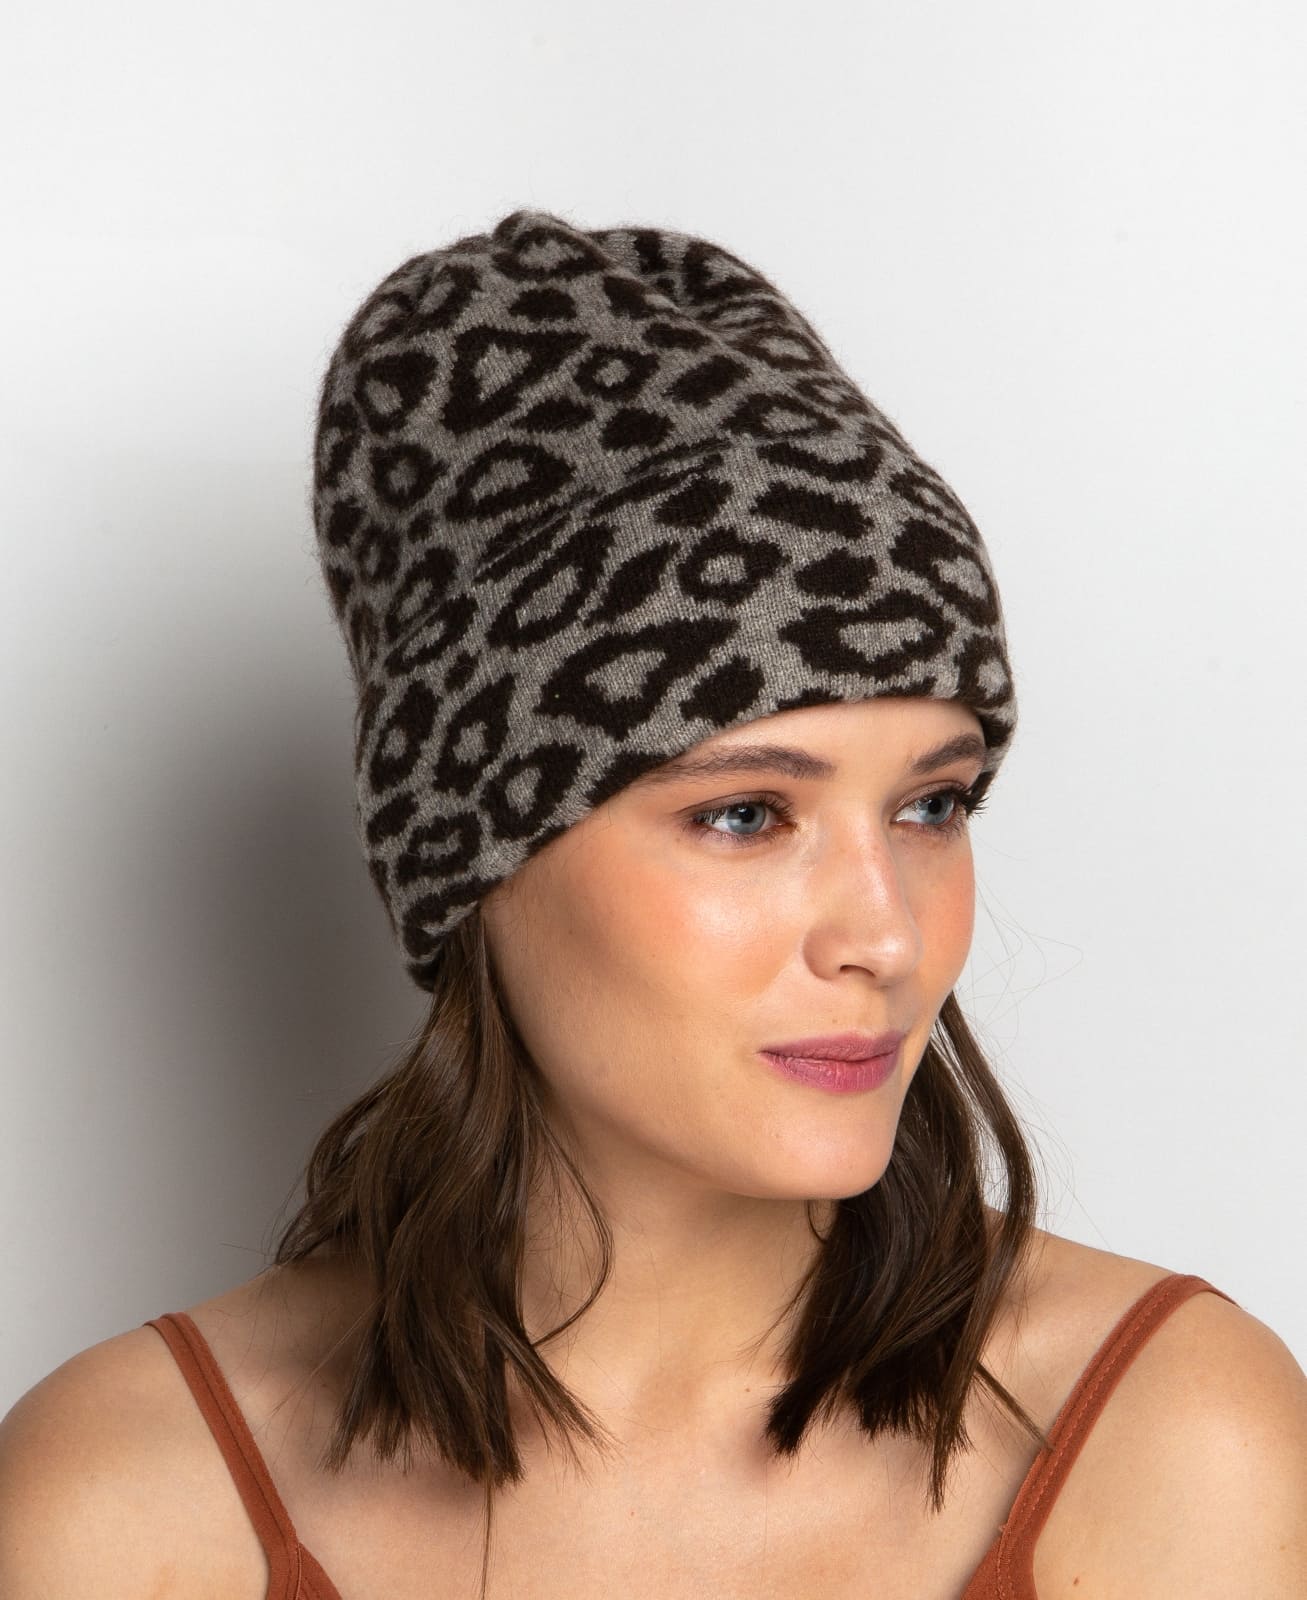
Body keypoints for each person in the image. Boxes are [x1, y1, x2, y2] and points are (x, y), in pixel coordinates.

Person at [2, 208, 1304, 1599]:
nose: (883, 935)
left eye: (933, 804)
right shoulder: (129, 1498)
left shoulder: (1173, 1437)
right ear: (476, 859)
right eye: (745, 814)